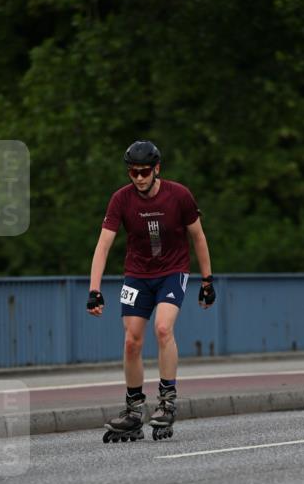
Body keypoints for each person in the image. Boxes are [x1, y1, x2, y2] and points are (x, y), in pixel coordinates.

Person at [87, 140, 215, 441]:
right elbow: (103, 245)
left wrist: (207, 281)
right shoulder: (121, 199)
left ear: (157, 169)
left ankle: (167, 401)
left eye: (145, 172)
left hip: (173, 271)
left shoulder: (179, 195)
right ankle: (133, 411)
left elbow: (198, 237)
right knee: (132, 340)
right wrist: (94, 289)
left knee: (162, 328)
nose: (139, 178)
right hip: (136, 275)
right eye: (133, 173)